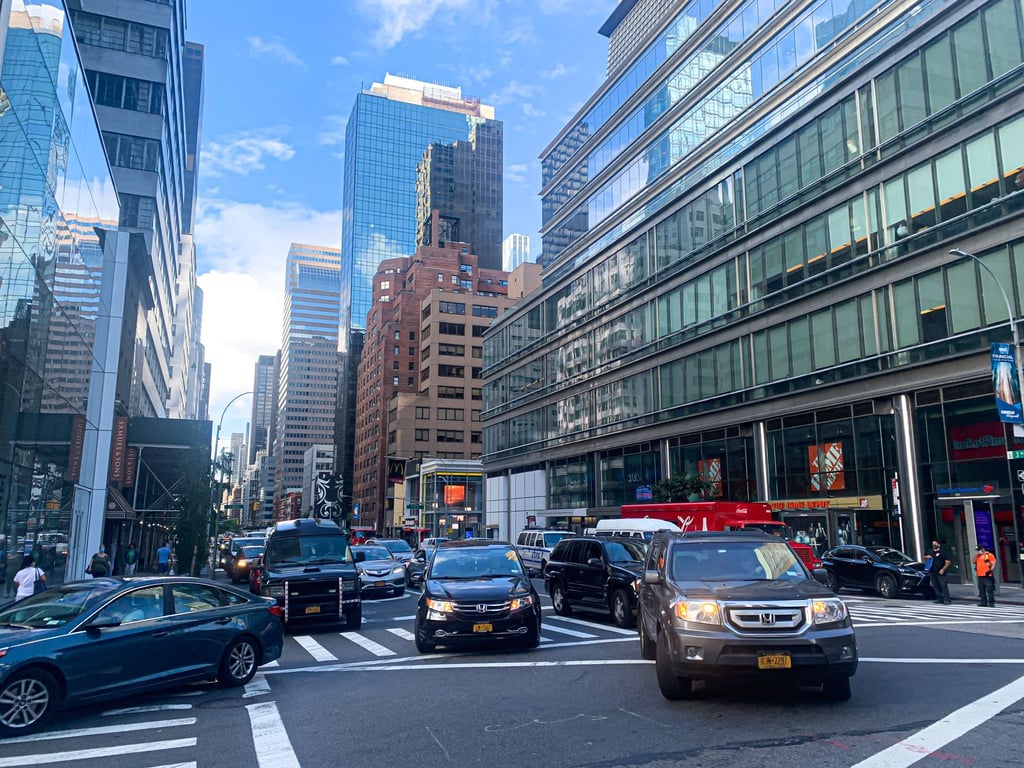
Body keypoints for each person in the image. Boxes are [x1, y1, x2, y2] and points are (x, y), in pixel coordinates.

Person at [929, 540, 952, 605]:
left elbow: (948, 562)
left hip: (941, 572)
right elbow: (925, 556)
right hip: (933, 572)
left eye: (935, 544)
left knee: (943, 585)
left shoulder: (943, 552)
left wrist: (943, 569)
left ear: (939, 545)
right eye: (933, 544)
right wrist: (927, 557)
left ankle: (947, 599)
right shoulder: (930, 551)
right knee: (935, 586)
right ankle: (940, 599)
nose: (934, 545)